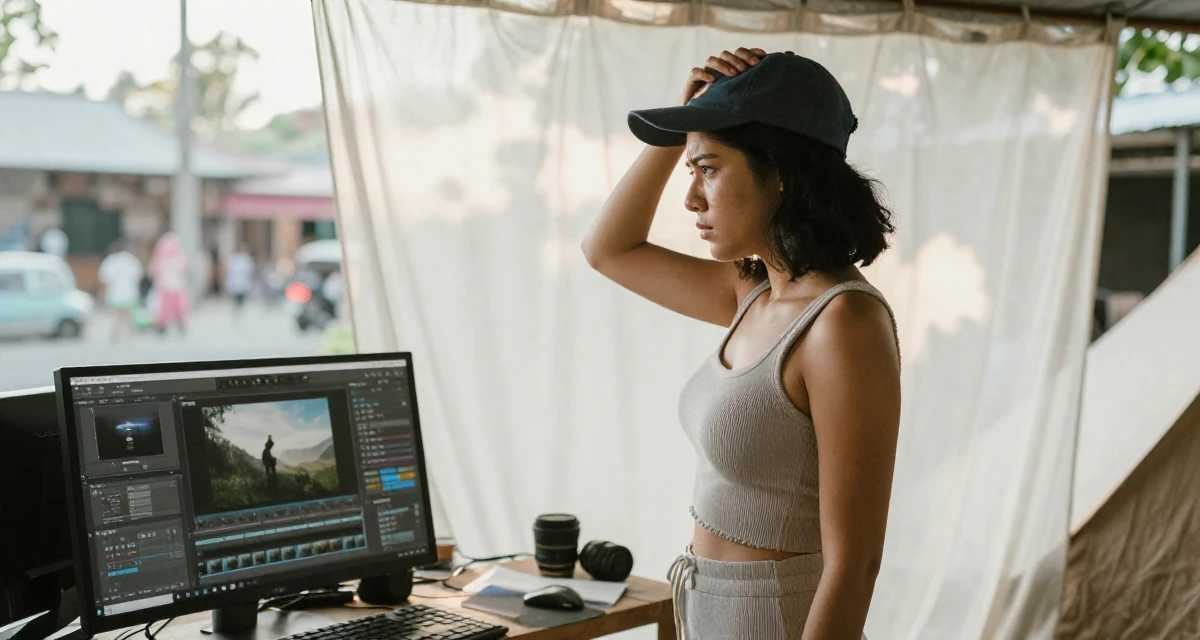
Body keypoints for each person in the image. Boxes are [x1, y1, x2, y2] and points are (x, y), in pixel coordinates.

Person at [582, 49, 901, 639]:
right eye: (691, 171)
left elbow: (855, 566)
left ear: (780, 172)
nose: (691, 200)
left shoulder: (842, 322)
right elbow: (608, 249)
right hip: (703, 613)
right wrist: (678, 125)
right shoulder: (750, 293)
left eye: (708, 169)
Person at [97, 241, 144, 343]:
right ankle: (129, 335)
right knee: (128, 315)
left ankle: (115, 335)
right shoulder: (131, 259)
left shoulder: (111, 261)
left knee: (118, 316)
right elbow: (140, 274)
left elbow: (104, 279)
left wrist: (102, 294)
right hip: (130, 292)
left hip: (116, 293)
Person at [149, 232, 191, 335]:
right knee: (167, 308)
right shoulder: (172, 259)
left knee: (176, 308)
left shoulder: (177, 258)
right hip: (168, 287)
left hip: (173, 287)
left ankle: (175, 325)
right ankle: (165, 326)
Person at [224, 243, 256, 317]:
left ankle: (240, 309)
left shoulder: (246, 259)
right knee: (236, 296)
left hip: (243, 282)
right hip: (236, 281)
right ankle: (236, 309)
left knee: (241, 296)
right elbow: (229, 270)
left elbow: (250, 270)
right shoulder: (234, 259)